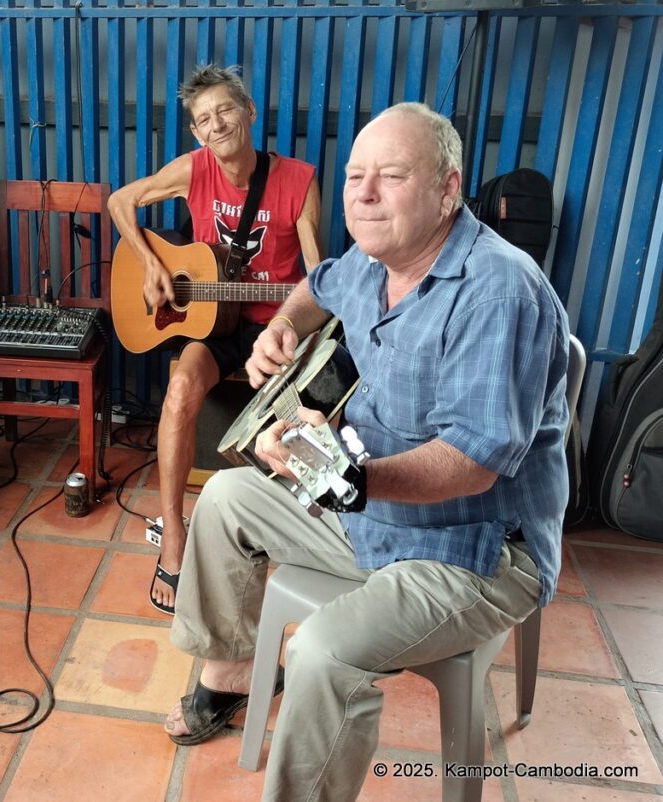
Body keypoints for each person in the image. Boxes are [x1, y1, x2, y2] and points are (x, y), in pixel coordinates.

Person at [164, 102, 571, 801]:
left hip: (477, 548)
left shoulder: (497, 290)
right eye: (355, 176)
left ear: (448, 188)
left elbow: (473, 459)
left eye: (391, 175)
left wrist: (348, 478)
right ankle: (228, 670)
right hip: (377, 509)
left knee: (322, 652)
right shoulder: (374, 258)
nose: (365, 193)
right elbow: (315, 290)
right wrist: (280, 330)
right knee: (227, 499)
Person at [107, 64, 322, 615]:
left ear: (249, 112)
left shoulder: (298, 178)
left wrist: (294, 324)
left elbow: (319, 280)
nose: (216, 124)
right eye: (203, 119)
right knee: (180, 390)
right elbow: (119, 203)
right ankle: (175, 533)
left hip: (273, 324)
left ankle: (295, 533)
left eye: (225, 110)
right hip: (212, 320)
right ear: (196, 133)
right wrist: (152, 264)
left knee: (306, 406)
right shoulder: (193, 169)